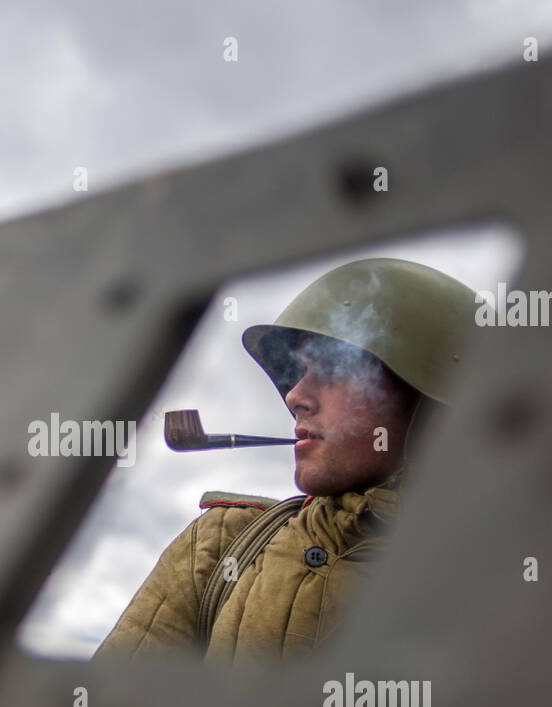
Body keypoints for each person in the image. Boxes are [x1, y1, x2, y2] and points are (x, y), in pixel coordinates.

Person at [92, 257, 478, 665]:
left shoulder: (490, 576)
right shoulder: (219, 546)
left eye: (333, 367)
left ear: (428, 401)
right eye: (301, 370)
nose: (295, 396)